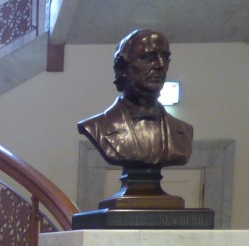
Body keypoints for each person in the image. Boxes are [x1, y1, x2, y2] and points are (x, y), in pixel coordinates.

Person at [77, 29, 193, 168]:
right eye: (149, 58)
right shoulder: (97, 126)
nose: (160, 65)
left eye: (165, 58)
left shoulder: (183, 131)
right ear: (122, 68)